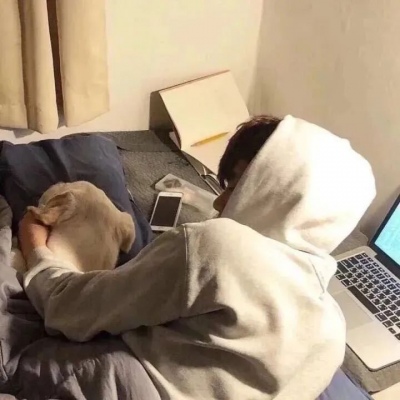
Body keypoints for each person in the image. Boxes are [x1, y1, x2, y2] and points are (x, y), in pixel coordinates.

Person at [18, 115, 375, 400]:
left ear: (278, 191)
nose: (219, 202)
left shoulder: (217, 245)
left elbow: (69, 309)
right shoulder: (331, 335)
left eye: (235, 185)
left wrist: (36, 248)